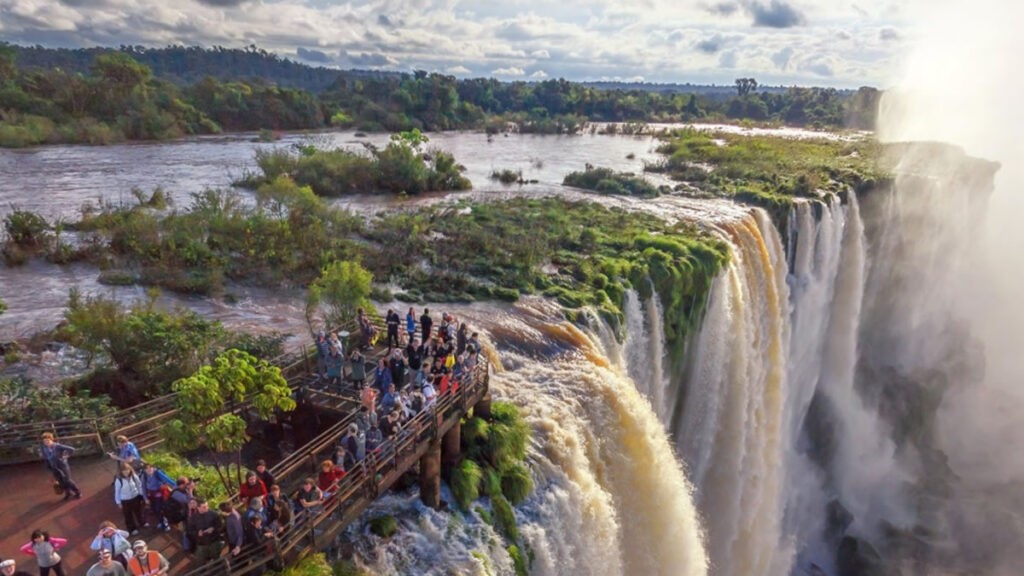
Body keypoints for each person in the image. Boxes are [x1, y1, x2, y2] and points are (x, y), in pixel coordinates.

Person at [38, 433, 80, 501]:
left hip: (62, 465)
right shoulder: (44, 448)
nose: (46, 443)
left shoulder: (57, 446)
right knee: (61, 481)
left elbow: (72, 449)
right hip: (54, 466)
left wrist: (65, 456)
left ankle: (78, 492)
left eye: (48, 441)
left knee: (67, 480)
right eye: (44, 441)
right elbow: (45, 457)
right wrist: (48, 466)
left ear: (51, 439)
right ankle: (68, 493)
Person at [186, 498, 223, 563]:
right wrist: (197, 533)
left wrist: (213, 528)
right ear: (198, 508)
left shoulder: (213, 514)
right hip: (202, 543)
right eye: (204, 507)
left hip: (214, 541)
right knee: (201, 560)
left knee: (217, 558)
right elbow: (190, 531)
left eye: (207, 506)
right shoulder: (193, 518)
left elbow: (220, 525)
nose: (207, 508)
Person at [113, 463, 147, 535]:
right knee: (128, 515)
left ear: (130, 470)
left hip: (135, 497)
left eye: (127, 470)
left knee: (139, 511)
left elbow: (139, 485)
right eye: (124, 471)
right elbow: (117, 492)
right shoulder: (119, 480)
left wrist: (141, 495)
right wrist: (118, 502)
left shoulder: (134, 476)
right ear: (121, 472)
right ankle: (132, 529)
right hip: (125, 500)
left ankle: (142, 522)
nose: (126, 472)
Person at [140, 464, 169, 532]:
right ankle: (160, 522)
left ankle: (165, 524)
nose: (149, 469)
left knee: (159, 509)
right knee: (154, 509)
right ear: (144, 470)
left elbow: (166, 481)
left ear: (153, 468)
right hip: (151, 495)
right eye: (147, 468)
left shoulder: (157, 474)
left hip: (159, 495)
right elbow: (143, 487)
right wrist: (145, 498)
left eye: (150, 468)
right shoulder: (144, 476)